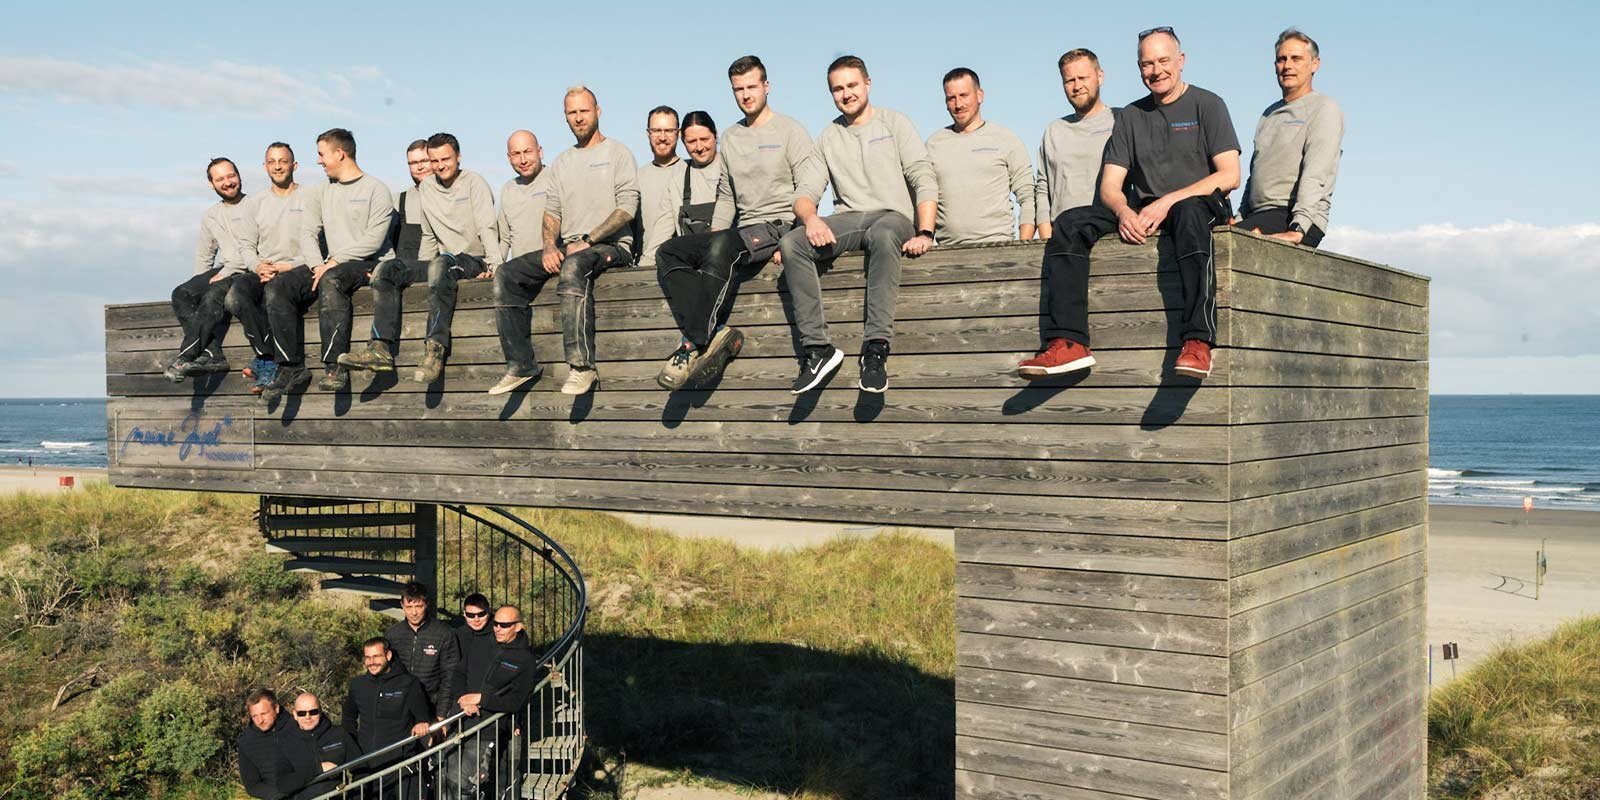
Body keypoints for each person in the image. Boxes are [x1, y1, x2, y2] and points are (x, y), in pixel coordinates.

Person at [1020, 27, 1240, 381]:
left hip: (1197, 206)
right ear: (1139, 68)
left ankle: (1198, 341)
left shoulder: (1208, 104)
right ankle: (1070, 342)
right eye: (1147, 63)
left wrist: (1168, 201)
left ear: (1180, 62)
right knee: (1071, 222)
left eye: (1163, 61)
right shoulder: (1131, 117)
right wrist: (1123, 211)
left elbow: (1230, 175)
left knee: (1185, 212)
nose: (1156, 70)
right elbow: (1110, 186)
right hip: (1145, 209)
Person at [654, 56, 825, 391]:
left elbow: (810, 186)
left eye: (751, 87)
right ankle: (715, 333)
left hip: (778, 225)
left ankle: (691, 344)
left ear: (766, 86)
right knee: (670, 251)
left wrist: (794, 238)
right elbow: (728, 194)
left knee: (722, 246)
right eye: (738, 89)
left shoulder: (791, 130)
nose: (746, 95)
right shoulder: (731, 136)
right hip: (741, 232)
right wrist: (715, 235)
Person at [779, 55, 938, 395]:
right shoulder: (829, 136)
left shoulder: (894, 123)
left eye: (852, 85)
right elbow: (804, 193)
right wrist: (811, 220)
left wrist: (926, 232)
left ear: (867, 83)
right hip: (851, 218)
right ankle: (818, 349)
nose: (846, 93)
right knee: (791, 243)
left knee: (882, 234)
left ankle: (875, 348)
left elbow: (922, 176)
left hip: (893, 216)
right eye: (838, 89)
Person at [491, 85, 639, 396]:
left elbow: (627, 207)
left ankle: (581, 367)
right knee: (506, 274)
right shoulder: (561, 162)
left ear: (597, 112)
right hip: (571, 246)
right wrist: (547, 246)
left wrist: (589, 239)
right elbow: (552, 212)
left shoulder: (617, 152)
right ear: (565, 117)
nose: (579, 118)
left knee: (573, 266)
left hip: (612, 247)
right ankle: (520, 364)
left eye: (584, 111)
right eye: (572, 113)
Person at [342, 132, 501, 383]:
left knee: (441, 264)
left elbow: (487, 228)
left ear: (458, 157)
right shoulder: (427, 187)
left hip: (473, 259)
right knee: (387, 269)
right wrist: (417, 271)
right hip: (442, 262)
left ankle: (434, 348)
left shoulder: (474, 183)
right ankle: (380, 347)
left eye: (446, 159)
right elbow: (428, 235)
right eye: (434, 160)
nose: (440, 165)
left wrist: (495, 267)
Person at [259, 128, 395, 400]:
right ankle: (290, 366)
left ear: (340, 154)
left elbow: (372, 241)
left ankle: (334, 367)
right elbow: (307, 233)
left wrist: (331, 262)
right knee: (279, 286)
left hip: (368, 263)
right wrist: (315, 265)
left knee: (332, 279)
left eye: (322, 154)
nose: (319, 161)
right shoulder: (320, 191)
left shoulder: (376, 189)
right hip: (328, 265)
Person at [1236, 28, 1344, 248]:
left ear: (1315, 64)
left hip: (1294, 215)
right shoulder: (1268, 115)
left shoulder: (1324, 109)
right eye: (1281, 59)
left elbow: (1316, 173)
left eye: (1296, 59)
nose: (1287, 66)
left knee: (1219, 247)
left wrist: (1298, 229)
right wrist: (1239, 218)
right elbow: (1256, 173)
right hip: (1261, 215)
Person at [165, 157, 257, 382]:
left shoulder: (256, 205)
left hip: (248, 269)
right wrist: (199, 284)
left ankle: (187, 354)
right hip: (225, 268)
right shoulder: (211, 215)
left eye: (231, 176)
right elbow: (205, 254)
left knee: (215, 293)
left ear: (239, 176)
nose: (227, 182)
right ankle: (212, 353)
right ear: (211, 184)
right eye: (220, 179)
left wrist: (224, 275)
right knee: (181, 293)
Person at [232, 142, 310, 395]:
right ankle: (266, 356)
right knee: (236, 294)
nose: (278, 166)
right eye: (272, 161)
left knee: (276, 292)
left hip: (299, 268)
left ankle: (286, 365)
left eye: (283, 161)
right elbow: (245, 245)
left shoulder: (310, 198)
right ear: (265, 166)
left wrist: (291, 265)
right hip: (265, 270)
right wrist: (256, 266)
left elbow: (321, 242)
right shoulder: (256, 203)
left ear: (294, 165)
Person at [925, 67, 1035, 244]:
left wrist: (1024, 244)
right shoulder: (933, 144)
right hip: (948, 251)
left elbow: (1028, 194)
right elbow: (923, 195)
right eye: (951, 98)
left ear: (980, 95)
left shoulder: (1005, 139)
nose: (958, 104)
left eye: (964, 95)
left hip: (998, 246)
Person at [1035, 49, 1118, 240]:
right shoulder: (1054, 130)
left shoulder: (1120, 121)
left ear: (1100, 76)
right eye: (1069, 80)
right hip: (1063, 238)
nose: (1077, 86)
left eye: (1083, 78)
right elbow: (1042, 186)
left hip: (1111, 233)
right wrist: (1046, 235)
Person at [343, 637, 432, 787]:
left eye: (376, 656)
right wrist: (351, 744)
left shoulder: (408, 683)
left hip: (400, 765)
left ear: (388, 656)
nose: (372, 662)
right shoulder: (358, 685)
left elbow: (422, 716)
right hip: (365, 766)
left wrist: (422, 724)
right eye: (368, 657)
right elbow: (348, 716)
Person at [384, 581, 460, 722]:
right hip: (399, 708)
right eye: (409, 607)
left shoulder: (444, 633)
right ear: (402, 606)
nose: (414, 612)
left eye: (418, 606)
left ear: (427, 604)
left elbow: (450, 676)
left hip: (432, 707)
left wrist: (441, 714)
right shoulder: (392, 634)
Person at [636, 105, 687, 269]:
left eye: (669, 131)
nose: (662, 137)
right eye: (656, 130)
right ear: (648, 133)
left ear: (678, 133)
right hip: (645, 267)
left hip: (683, 267)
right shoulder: (636, 177)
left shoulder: (691, 171)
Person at [283, 691, 360, 800]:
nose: (308, 717)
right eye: (302, 713)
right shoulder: (285, 742)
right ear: (295, 714)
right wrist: (318, 769)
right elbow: (282, 783)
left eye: (313, 712)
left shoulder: (339, 734)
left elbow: (361, 770)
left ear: (320, 711)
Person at [237, 688, 310, 800]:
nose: (260, 720)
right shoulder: (246, 743)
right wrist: (277, 795)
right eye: (254, 716)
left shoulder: (297, 725)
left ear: (276, 708)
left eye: (264, 714)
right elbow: (252, 785)